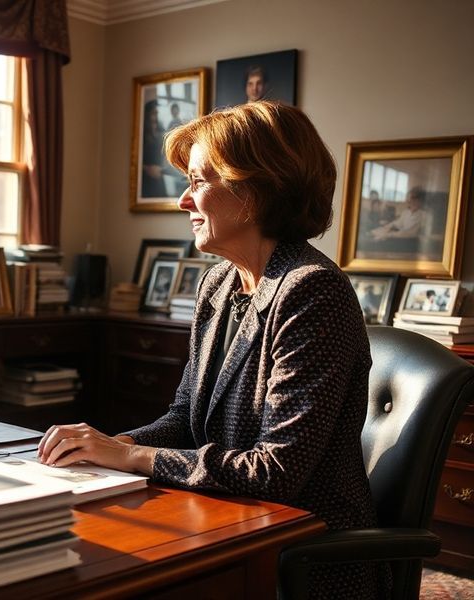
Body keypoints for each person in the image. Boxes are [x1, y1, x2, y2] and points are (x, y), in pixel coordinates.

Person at [38, 101, 387, 597]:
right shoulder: (218, 284)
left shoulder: (313, 292)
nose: (183, 201)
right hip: (228, 517)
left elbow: (275, 473)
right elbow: (185, 416)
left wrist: (128, 457)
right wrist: (105, 448)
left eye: (199, 181)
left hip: (302, 549)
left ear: (256, 189)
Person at [140, 100, 167, 198]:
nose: (156, 116)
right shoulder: (142, 135)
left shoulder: (161, 132)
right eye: (153, 113)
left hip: (159, 177)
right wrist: (147, 169)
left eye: (157, 113)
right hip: (146, 179)